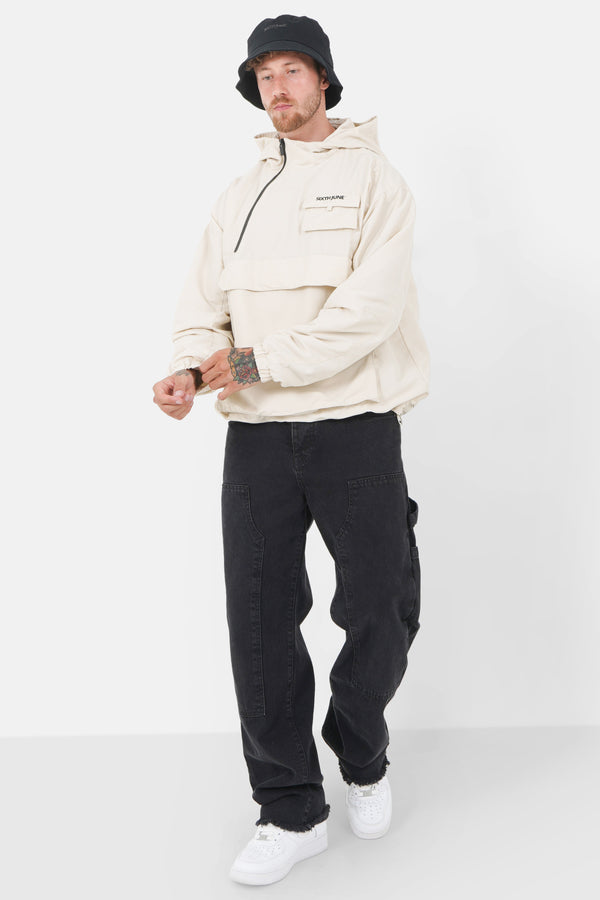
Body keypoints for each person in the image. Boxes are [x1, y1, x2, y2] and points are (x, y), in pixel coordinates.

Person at [152, 13, 430, 886]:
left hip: (356, 424)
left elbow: (367, 314)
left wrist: (253, 362)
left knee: (381, 608)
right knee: (261, 623)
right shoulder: (237, 196)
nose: (277, 88)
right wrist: (188, 370)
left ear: (324, 80)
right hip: (257, 440)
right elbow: (202, 309)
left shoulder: (377, 180)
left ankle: (361, 747)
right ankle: (290, 808)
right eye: (264, 75)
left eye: (292, 71)